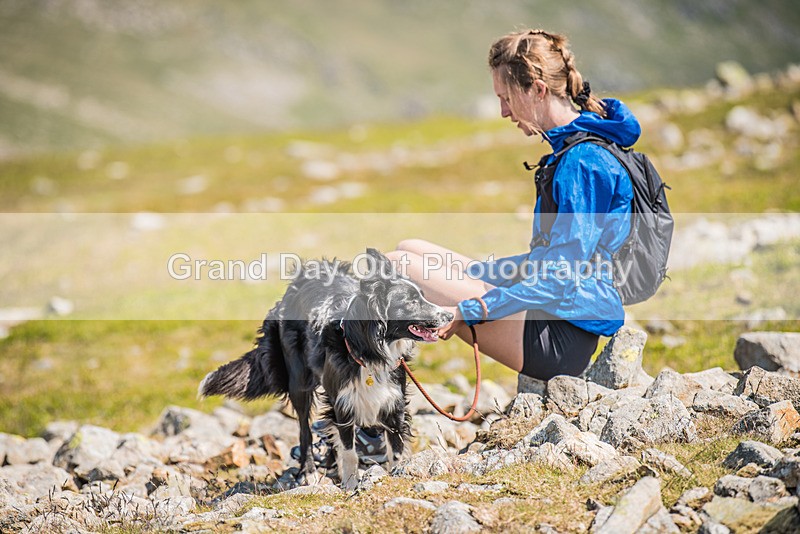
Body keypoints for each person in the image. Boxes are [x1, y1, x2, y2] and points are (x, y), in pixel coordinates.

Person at [386, 29, 641, 381]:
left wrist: (473, 307)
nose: (503, 111)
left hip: (558, 337)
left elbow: (561, 276)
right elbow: (553, 262)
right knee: (409, 248)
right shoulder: (575, 149)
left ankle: (367, 413)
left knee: (396, 266)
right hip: (554, 310)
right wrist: (485, 274)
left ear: (536, 89)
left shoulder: (583, 162)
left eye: (506, 97)